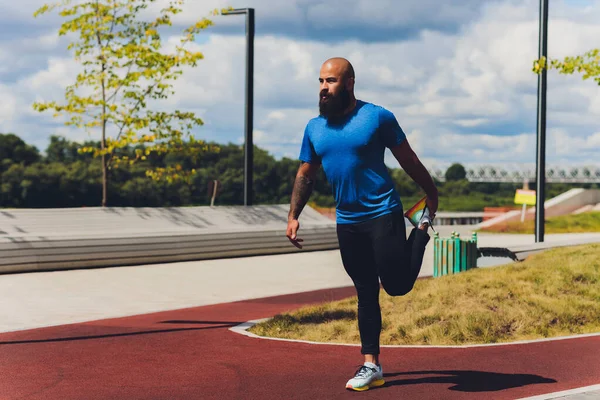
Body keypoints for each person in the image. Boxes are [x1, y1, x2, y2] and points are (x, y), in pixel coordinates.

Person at [286, 57, 439, 392]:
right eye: (321, 81)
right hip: (349, 221)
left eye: (331, 81)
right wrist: (294, 214)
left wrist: (430, 193)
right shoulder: (315, 128)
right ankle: (371, 365)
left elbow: (407, 159)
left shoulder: (376, 117)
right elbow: (305, 175)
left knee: (397, 286)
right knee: (366, 291)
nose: (324, 88)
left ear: (350, 82)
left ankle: (422, 228)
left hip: (383, 212)